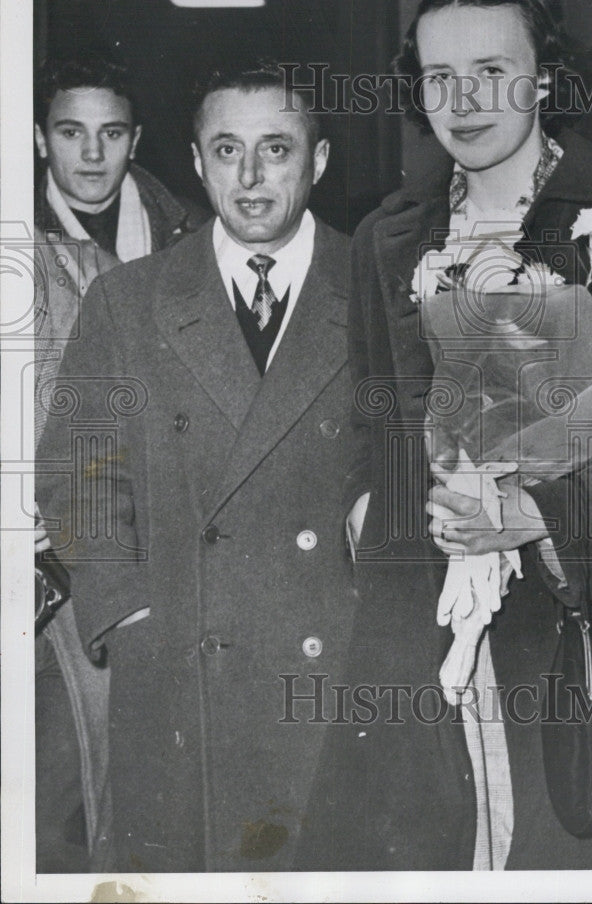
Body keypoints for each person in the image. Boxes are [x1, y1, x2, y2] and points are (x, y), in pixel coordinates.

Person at [300, 0, 592, 871]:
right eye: (437, 78)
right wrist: (370, 509)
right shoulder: (389, 236)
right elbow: (371, 421)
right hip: (424, 641)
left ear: (544, 76)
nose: (462, 101)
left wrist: (539, 515)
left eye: (492, 72)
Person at [36, 59, 356, 871]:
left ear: (316, 162)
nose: (249, 178)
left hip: (333, 680)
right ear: (193, 160)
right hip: (179, 680)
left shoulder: (379, 290)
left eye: (276, 150)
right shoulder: (129, 299)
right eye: (225, 151)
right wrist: (127, 612)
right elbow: (77, 471)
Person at [34, 53, 208, 871]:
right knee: (54, 765)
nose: (92, 156)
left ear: (135, 140)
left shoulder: (187, 230)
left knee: (145, 757)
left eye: (110, 134)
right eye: (72, 133)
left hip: (151, 518)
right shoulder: (16, 239)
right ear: (42, 140)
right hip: (47, 527)